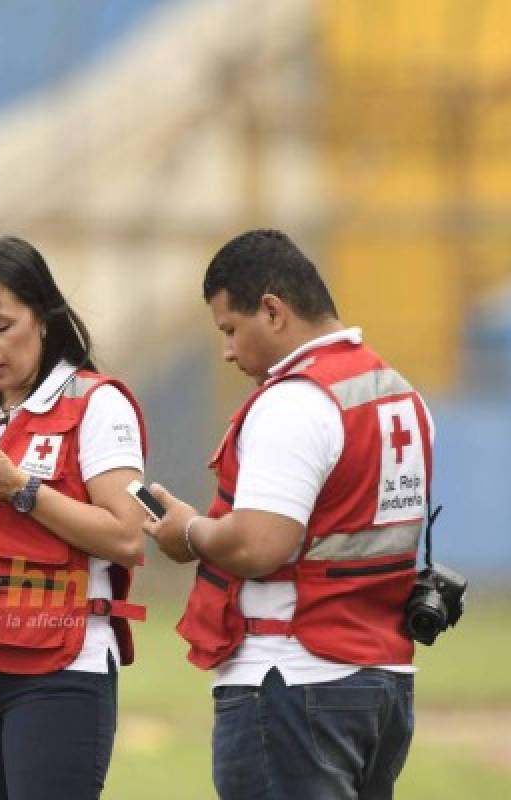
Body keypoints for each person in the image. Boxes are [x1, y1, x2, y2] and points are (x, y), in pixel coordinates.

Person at [144, 229, 432, 800]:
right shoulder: (399, 395)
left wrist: (188, 533)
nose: (228, 351)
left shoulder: (296, 401)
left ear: (272, 311)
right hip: (381, 682)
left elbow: (259, 546)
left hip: (293, 679)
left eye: (230, 329)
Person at [0, 235, 152, 800]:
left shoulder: (97, 402)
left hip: (59, 668)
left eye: (0, 325)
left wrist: (22, 489)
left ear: (42, 319)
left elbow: (129, 537)